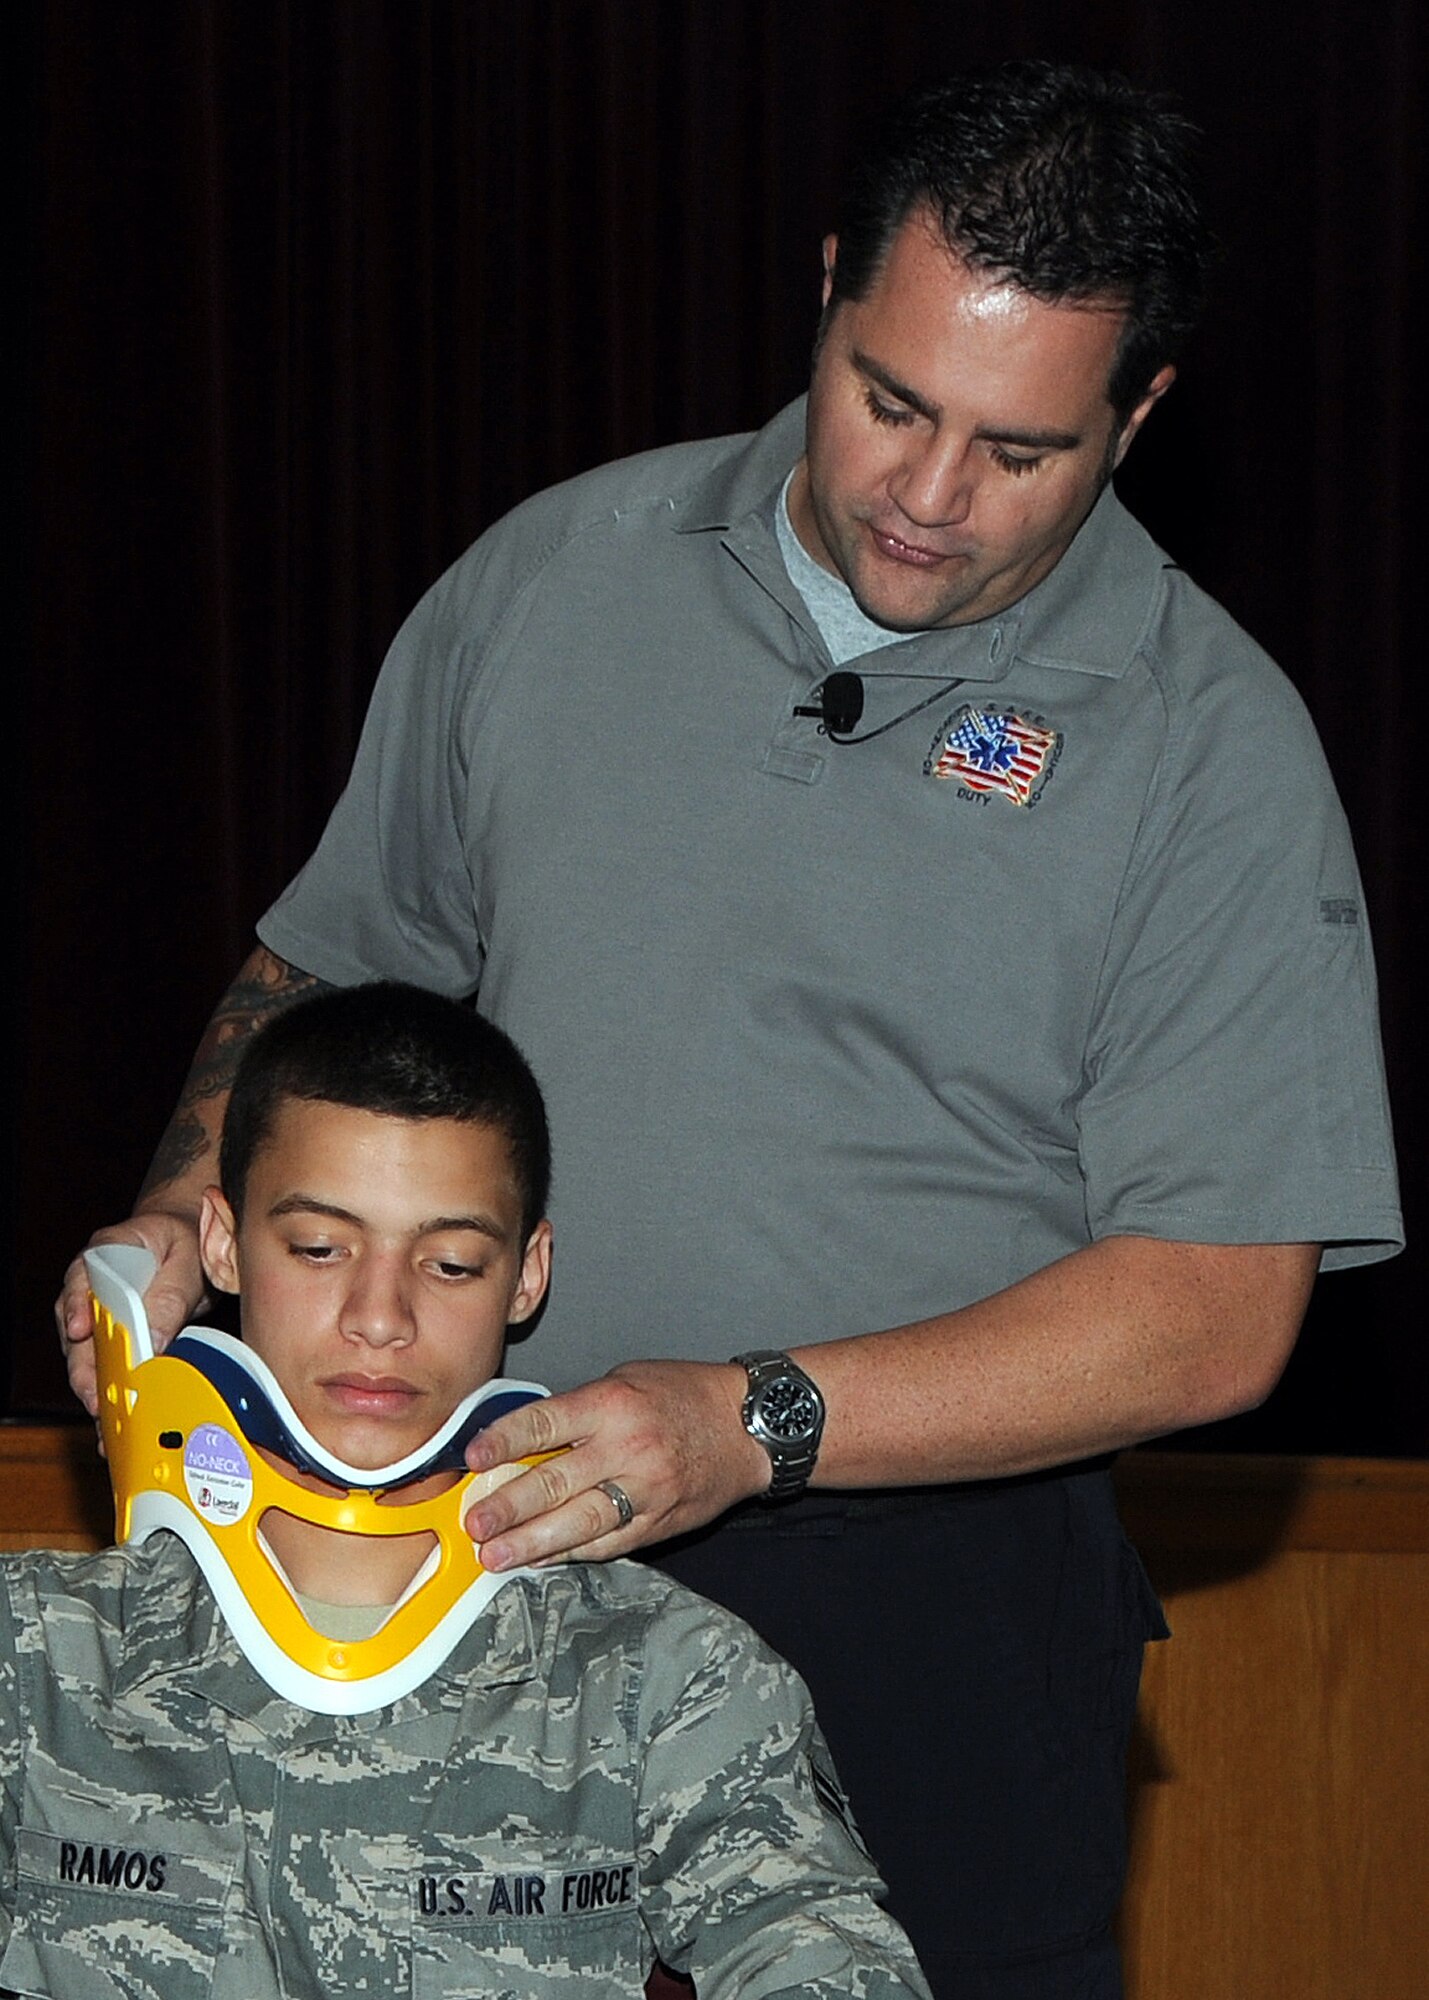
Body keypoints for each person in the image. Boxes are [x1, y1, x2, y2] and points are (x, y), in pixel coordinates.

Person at [57, 60, 1402, 1998]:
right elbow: (322, 986)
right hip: (455, 1555)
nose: (928, 499)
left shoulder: (1215, 744)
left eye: (1020, 451)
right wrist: (174, 1216)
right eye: (890, 398)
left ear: (1143, 412)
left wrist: (749, 1421)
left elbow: (1216, 1304)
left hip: (926, 1610)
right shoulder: (555, 576)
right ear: (833, 282)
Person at [17, 982, 930, 2000]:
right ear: (223, 1243)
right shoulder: (41, 1655)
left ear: (528, 1272)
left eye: (450, 1261)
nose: (379, 1314)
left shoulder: (665, 1680)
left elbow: (829, 1962)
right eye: (319, 1246)